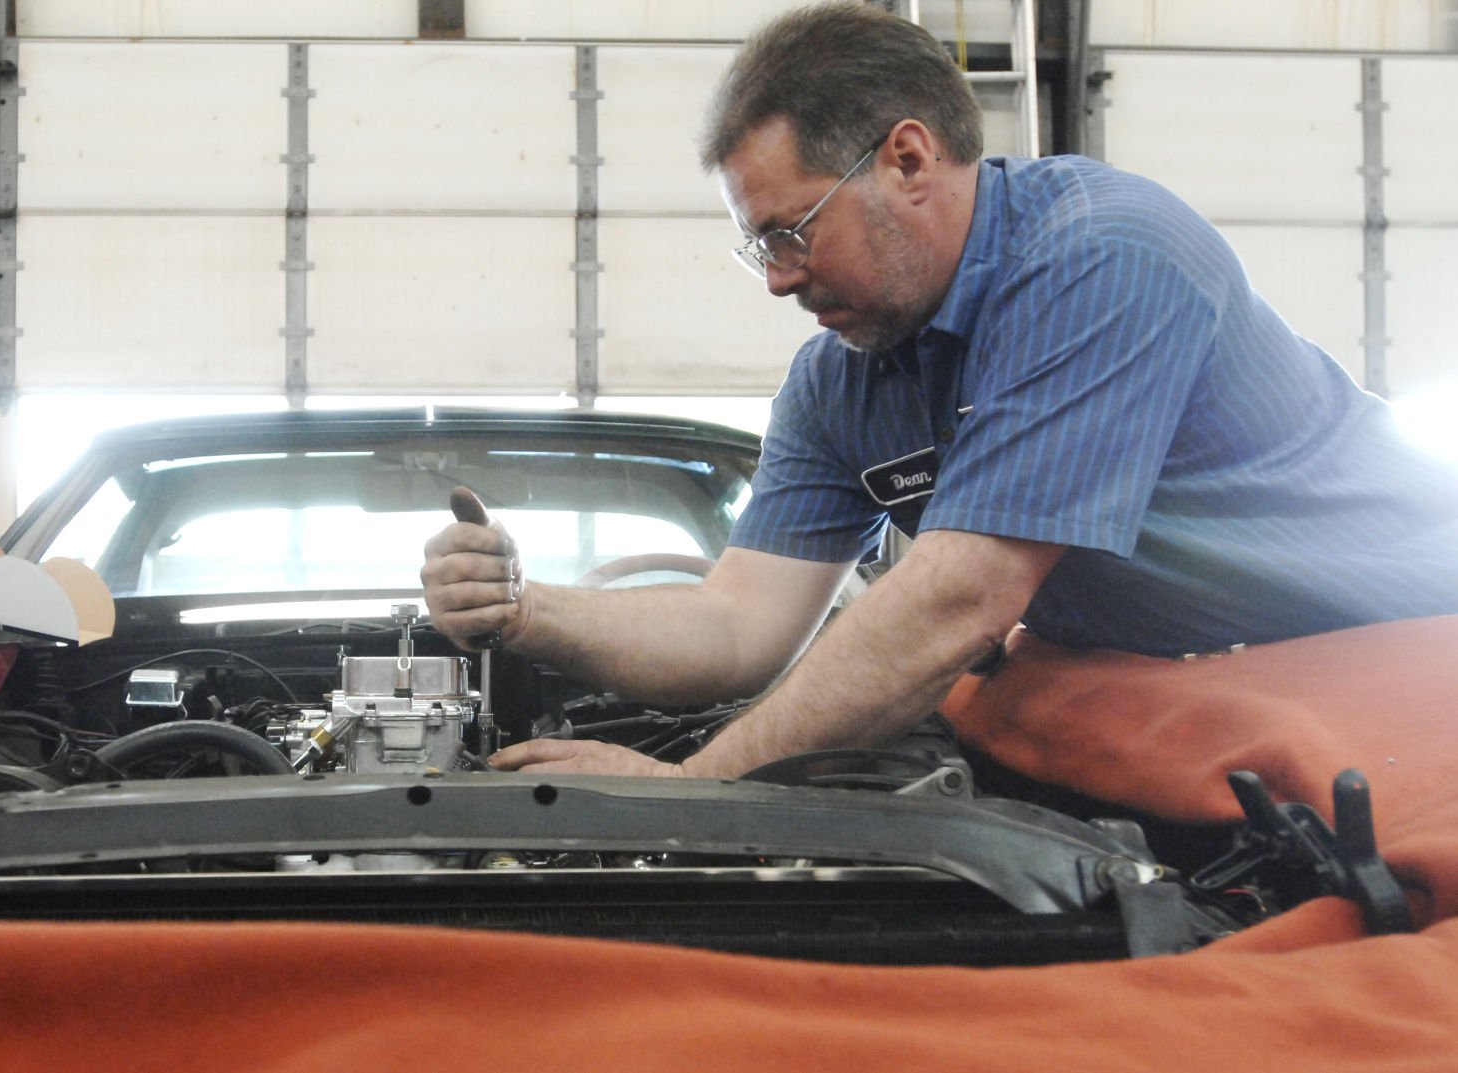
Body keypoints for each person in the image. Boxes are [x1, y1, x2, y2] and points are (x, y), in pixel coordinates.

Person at [420, 1, 1458, 779]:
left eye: (788, 233)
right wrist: (522, 608)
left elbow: (958, 598)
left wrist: (691, 788)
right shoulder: (839, 384)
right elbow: (736, 624)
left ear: (907, 159)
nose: (777, 278)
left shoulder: (1102, 257)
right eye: (757, 250)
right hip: (1211, 700)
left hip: (1411, 672)